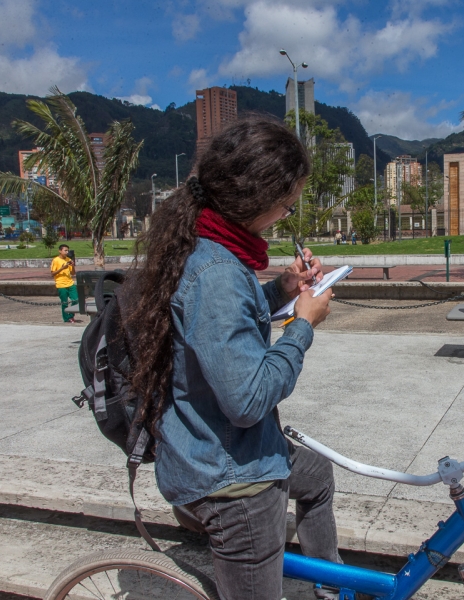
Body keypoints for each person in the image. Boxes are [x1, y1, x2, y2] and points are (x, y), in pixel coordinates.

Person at [124, 116, 338, 600]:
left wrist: (284, 289)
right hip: (232, 484)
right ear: (255, 201)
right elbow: (248, 398)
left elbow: (219, 329)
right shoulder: (218, 270)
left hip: (212, 454)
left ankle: (330, 585)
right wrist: (302, 324)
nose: (286, 217)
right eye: (285, 206)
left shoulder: (204, 245)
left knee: (317, 474)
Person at [50, 244, 79, 323]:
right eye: (65, 250)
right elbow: (52, 274)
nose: (67, 252)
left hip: (70, 283)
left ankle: (71, 315)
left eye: (67, 250)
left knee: (76, 300)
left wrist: (72, 266)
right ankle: (66, 319)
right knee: (65, 302)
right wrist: (62, 268)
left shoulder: (68, 259)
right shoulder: (55, 260)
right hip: (61, 284)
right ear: (60, 251)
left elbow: (73, 273)